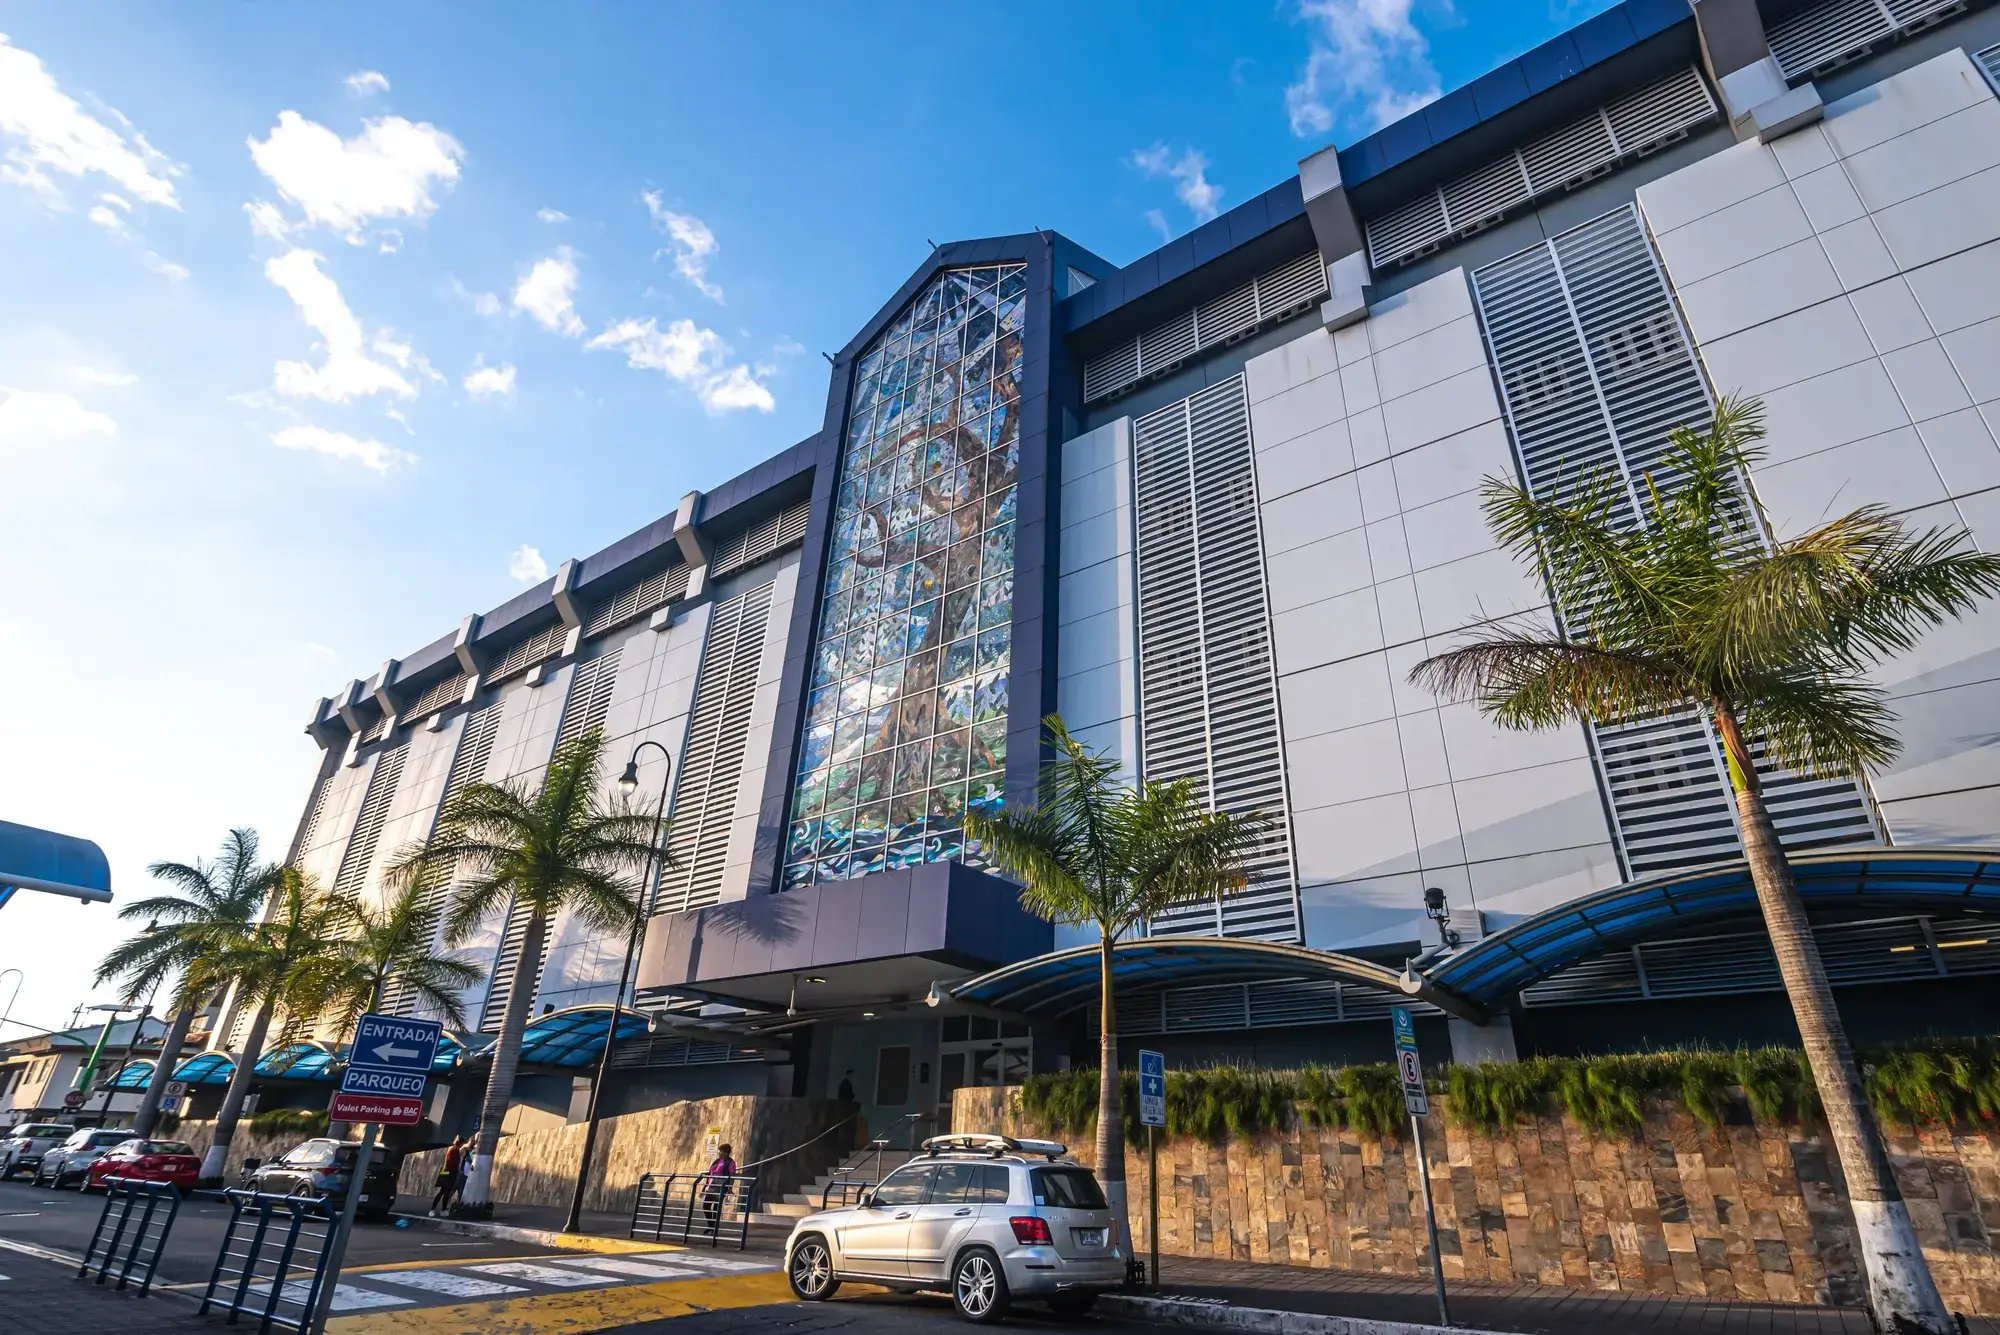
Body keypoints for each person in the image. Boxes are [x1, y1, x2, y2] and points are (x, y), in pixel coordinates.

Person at [699, 1142, 737, 1239]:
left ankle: (714, 1228)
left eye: (721, 1152)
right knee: (706, 1205)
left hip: (721, 1187)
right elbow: (709, 1174)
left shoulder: (730, 1162)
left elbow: (732, 1176)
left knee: (716, 1208)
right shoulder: (716, 1161)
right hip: (712, 1186)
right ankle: (711, 1225)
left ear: (726, 1153)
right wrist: (705, 1186)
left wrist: (729, 1188)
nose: (719, 1153)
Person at [431, 1136, 464, 1217]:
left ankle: (440, 1209)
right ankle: (436, 1209)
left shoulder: (453, 1149)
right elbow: (452, 1163)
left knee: (445, 1192)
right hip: (449, 1173)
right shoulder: (454, 1150)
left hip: (447, 1172)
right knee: (444, 1192)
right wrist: (457, 1172)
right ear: (460, 1144)